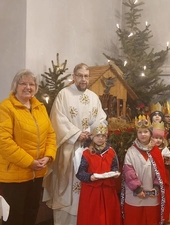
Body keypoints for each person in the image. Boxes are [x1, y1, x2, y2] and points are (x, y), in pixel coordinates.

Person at [42, 63, 107, 225]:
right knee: (67, 189)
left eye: (86, 76)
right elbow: (57, 120)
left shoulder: (94, 97)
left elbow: (101, 119)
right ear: (74, 76)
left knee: (87, 188)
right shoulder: (63, 95)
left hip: (89, 149)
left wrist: (93, 134)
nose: (83, 79)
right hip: (69, 150)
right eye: (80, 75)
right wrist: (77, 134)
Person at [0, 69, 57, 225]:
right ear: (15, 86)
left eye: (31, 84)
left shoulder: (39, 107)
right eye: (23, 83)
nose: (28, 87)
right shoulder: (5, 108)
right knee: (14, 217)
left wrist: (48, 157)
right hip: (14, 174)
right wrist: (30, 162)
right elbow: (3, 142)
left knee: (32, 212)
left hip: (37, 173)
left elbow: (51, 134)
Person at [122, 115, 167, 225]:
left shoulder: (156, 151)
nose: (143, 134)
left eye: (146, 132)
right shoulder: (131, 152)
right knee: (134, 219)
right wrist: (137, 189)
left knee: (150, 220)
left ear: (150, 133)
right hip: (135, 193)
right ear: (136, 134)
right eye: (140, 132)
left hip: (151, 193)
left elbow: (160, 173)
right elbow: (129, 172)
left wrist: (156, 187)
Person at [75, 122, 121, 225]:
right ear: (92, 137)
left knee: (109, 217)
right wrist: (90, 177)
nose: (101, 138)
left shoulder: (111, 152)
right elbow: (80, 173)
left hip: (108, 191)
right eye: (98, 136)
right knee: (92, 218)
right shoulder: (86, 153)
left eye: (103, 136)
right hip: (92, 192)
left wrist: (115, 173)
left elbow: (114, 167)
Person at [151, 121, 170, 223]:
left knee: (163, 196)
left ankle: (163, 217)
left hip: (163, 177)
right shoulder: (149, 149)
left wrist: (168, 161)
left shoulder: (165, 150)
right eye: (156, 138)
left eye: (160, 138)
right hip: (152, 177)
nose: (158, 140)